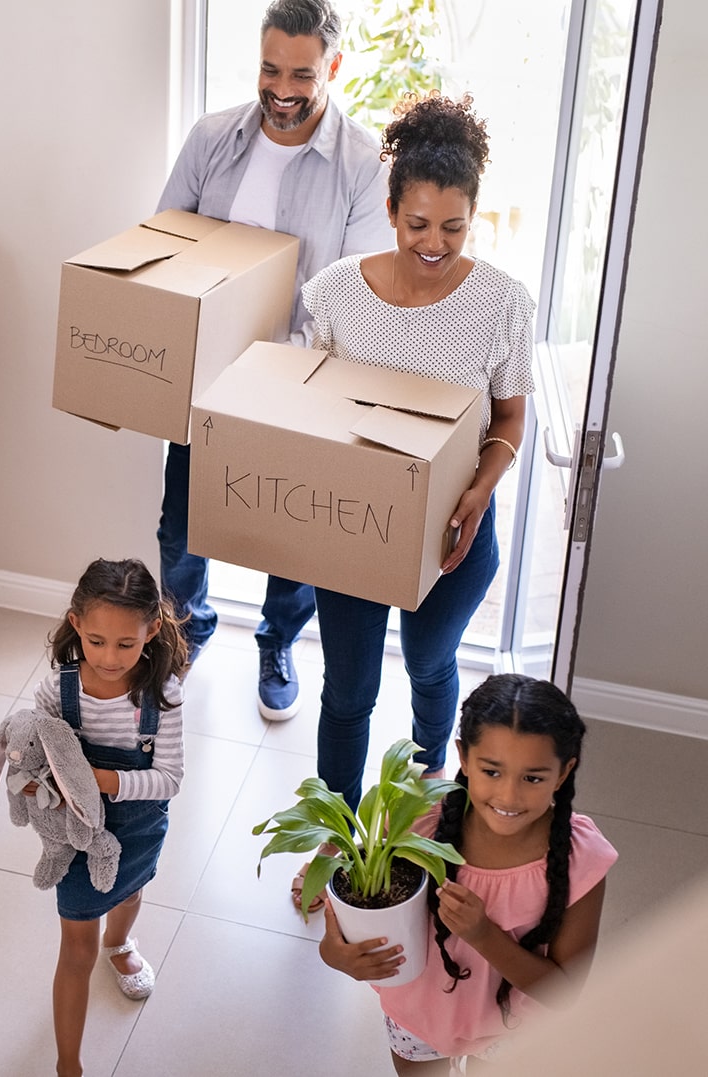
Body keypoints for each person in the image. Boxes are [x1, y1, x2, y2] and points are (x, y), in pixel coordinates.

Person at [293, 91, 535, 909]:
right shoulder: (334, 294)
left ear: (474, 220)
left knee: (432, 664)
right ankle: (332, 840)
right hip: (355, 534)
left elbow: (508, 417)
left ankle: (433, 783)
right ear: (391, 211)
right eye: (418, 224)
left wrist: (476, 490)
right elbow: (307, 404)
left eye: (453, 228)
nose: (434, 244)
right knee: (350, 689)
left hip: (457, 533)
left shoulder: (502, 303)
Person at [156, 0, 395, 721]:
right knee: (180, 522)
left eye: (301, 72)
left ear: (334, 66)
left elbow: (351, 293)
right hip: (205, 378)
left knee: (290, 536)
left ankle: (276, 640)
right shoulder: (211, 139)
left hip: (298, 383)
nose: (281, 88)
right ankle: (185, 630)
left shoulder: (362, 163)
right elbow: (165, 243)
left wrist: (276, 369)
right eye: (269, 68)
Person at [318, 674, 618, 1072]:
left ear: (563, 774)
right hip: (416, 1016)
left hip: (514, 1031)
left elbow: (565, 992)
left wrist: (483, 935)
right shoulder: (414, 824)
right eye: (492, 771)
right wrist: (336, 955)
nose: (509, 796)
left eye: (533, 778)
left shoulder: (582, 861)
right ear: (463, 756)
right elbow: (352, 921)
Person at [29, 558, 187, 1077]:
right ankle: (68, 1065)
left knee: (131, 891)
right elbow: (36, 754)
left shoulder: (161, 697)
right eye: (96, 641)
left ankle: (119, 943)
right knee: (76, 947)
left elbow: (169, 779)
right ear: (76, 624)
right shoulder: (57, 690)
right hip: (78, 833)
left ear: (153, 630)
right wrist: (34, 782)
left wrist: (104, 781)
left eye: (126, 643)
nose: (110, 657)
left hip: (139, 825)